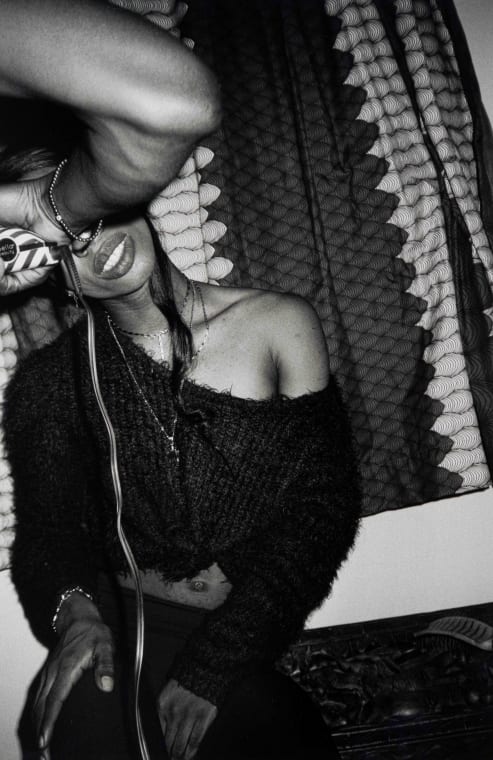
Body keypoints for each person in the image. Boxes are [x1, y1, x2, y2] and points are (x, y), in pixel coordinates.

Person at [1, 2, 361, 759]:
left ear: (121, 188)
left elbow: (321, 511)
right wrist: (76, 617)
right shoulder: (45, 384)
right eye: (57, 240)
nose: (87, 243)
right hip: (122, 625)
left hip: (244, 631)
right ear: (38, 269)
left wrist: (218, 662)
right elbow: (48, 536)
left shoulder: (278, 323)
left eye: (82, 208)